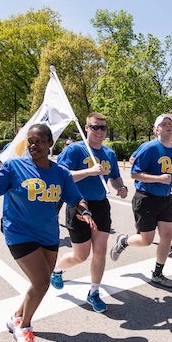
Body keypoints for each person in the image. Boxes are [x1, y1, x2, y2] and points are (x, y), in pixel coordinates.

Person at [0, 123, 96, 342]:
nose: (34, 146)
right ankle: (24, 329)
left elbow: (75, 197)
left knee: (38, 283)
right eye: (30, 141)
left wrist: (85, 211)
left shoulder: (61, 173)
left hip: (49, 235)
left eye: (39, 141)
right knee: (43, 282)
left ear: (50, 143)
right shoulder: (14, 167)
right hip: (19, 232)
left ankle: (16, 317)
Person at [50, 113, 128, 313]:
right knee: (81, 255)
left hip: (101, 205)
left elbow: (115, 177)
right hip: (78, 205)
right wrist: (88, 171)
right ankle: (57, 270)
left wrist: (121, 187)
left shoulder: (109, 153)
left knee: (100, 251)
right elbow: (61, 177)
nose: (100, 131)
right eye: (95, 127)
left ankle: (94, 292)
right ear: (86, 128)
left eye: (103, 128)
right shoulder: (75, 150)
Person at [109, 113, 172, 287]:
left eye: (170, 123)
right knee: (146, 240)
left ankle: (158, 273)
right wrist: (157, 178)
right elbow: (134, 173)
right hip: (146, 198)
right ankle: (124, 241)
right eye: (163, 124)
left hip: (165, 200)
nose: (168, 125)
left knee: (167, 236)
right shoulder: (149, 148)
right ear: (156, 130)